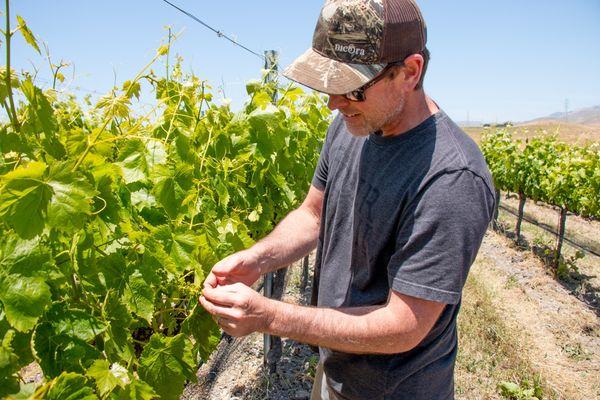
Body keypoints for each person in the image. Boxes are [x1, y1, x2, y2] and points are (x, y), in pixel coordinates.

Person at [199, 0, 496, 398]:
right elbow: (314, 215)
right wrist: (257, 259)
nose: (334, 103)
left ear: (410, 72)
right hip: (337, 368)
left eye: (351, 87)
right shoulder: (350, 126)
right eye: (328, 85)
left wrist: (270, 316)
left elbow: (404, 325)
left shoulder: (452, 179)